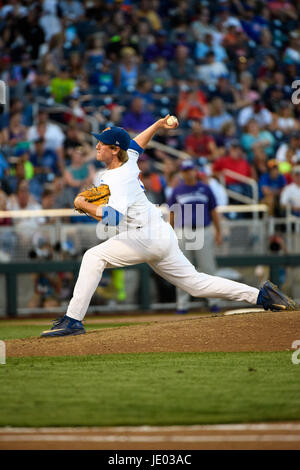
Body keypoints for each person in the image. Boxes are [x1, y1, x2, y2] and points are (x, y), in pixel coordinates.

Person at [40, 117, 297, 337]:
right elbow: (137, 142)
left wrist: (84, 204)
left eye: (101, 143)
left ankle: (73, 319)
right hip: (160, 232)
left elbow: (113, 219)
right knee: (196, 284)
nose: (96, 145)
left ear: (114, 150)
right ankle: (261, 296)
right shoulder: (128, 160)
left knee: (93, 256)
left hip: (144, 237)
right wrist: (160, 124)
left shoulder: (117, 177)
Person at [168, 160, 222, 314]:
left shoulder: (205, 188)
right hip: (183, 231)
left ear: (195, 171)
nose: (188, 173)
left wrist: (218, 232)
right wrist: (170, 234)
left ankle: (214, 302)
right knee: (182, 268)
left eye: (190, 170)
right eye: (185, 171)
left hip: (202, 230)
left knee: (208, 268)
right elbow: (172, 213)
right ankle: (182, 305)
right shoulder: (177, 190)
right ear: (182, 173)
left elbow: (213, 211)